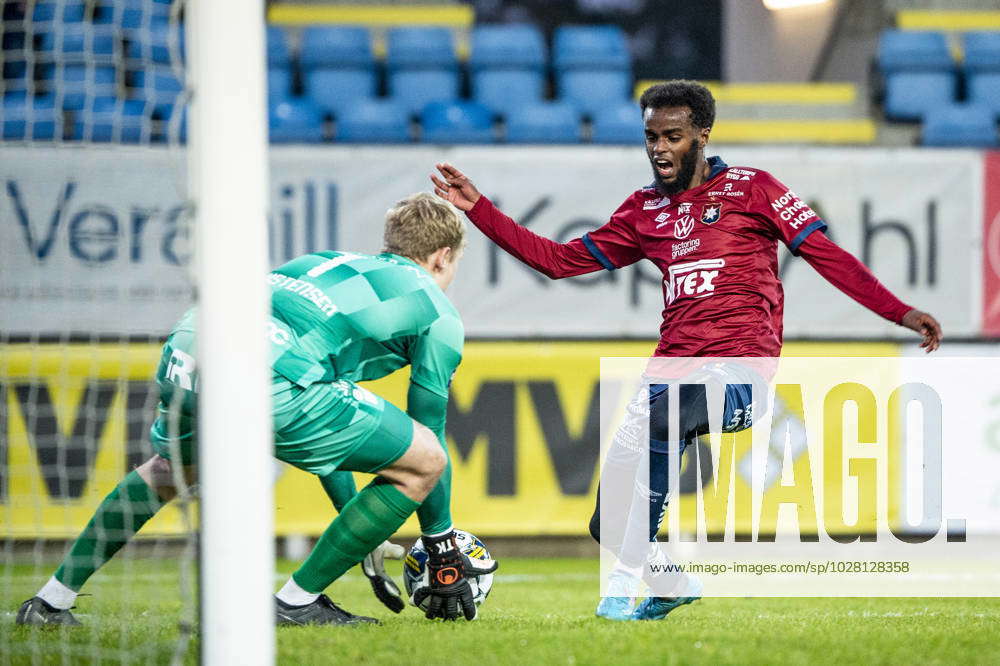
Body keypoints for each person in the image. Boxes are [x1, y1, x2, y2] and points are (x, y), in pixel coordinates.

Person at [430, 80, 942, 622]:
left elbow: (826, 255)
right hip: (668, 369)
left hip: (740, 369)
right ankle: (669, 582)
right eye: (650, 136)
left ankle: (621, 587)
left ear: (702, 134)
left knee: (670, 413)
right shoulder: (643, 211)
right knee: (607, 524)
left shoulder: (754, 189)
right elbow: (559, 261)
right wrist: (478, 209)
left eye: (672, 136)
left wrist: (899, 312)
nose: (658, 149)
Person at [17, 192, 496, 627]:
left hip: (190, 343)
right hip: (271, 369)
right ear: (443, 256)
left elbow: (327, 433)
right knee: (425, 461)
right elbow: (426, 437)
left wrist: (361, 526)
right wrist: (440, 541)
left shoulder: (325, 262)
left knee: (170, 469)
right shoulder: (435, 310)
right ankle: (292, 604)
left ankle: (48, 603)